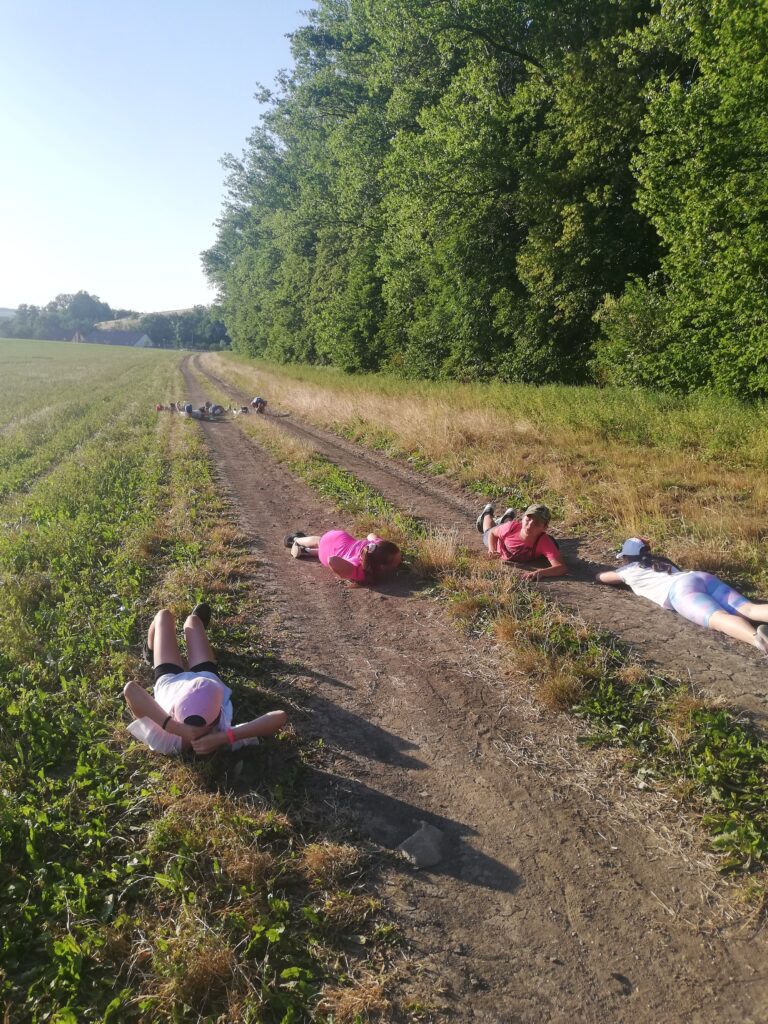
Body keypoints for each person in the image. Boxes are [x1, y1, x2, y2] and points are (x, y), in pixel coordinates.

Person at [123, 603, 287, 755]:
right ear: (217, 718)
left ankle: (150, 650)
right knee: (193, 621)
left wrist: (174, 727)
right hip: (207, 679)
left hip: (171, 682)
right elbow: (280, 716)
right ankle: (195, 624)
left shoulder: (167, 741)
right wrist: (225, 737)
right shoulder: (220, 730)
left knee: (163, 616)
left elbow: (130, 689)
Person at [596, 537, 768, 653]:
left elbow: (602, 577)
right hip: (699, 577)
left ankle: (759, 640)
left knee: (718, 617)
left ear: (626, 557)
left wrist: (600, 574)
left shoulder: (628, 570)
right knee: (749, 609)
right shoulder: (662, 561)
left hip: (681, 591)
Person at [476, 503, 567, 581]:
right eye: (528, 519)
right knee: (487, 530)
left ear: (545, 528)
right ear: (522, 519)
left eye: (537, 523)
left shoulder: (544, 541)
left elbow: (561, 568)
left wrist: (540, 573)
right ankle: (487, 513)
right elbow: (492, 533)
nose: (530, 525)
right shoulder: (511, 527)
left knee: (505, 526)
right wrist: (492, 549)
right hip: (498, 540)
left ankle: (507, 517)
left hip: (506, 529)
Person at [284, 529, 401, 586]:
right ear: (381, 566)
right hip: (328, 552)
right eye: (397, 561)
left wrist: (377, 543)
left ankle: (302, 546)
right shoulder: (360, 571)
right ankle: (295, 540)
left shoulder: (375, 547)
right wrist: (346, 571)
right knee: (322, 543)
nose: (401, 561)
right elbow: (332, 560)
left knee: (320, 541)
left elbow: (371, 535)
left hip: (339, 538)